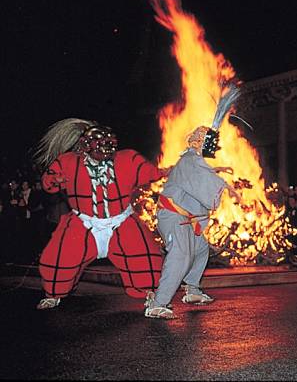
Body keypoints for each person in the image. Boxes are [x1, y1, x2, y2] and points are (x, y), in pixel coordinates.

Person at [34, 118, 164, 310]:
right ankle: (54, 294)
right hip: (83, 223)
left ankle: (149, 292)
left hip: (121, 220)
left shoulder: (127, 159)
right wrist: (55, 180)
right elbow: (48, 183)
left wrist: (171, 170)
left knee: (146, 259)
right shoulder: (68, 162)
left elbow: (153, 173)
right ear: (86, 146)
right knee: (58, 259)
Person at [144, 85, 241, 319]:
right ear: (199, 142)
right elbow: (203, 178)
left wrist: (218, 169)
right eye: (210, 143)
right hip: (174, 218)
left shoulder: (194, 161)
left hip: (186, 220)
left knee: (200, 249)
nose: (213, 147)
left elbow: (202, 174)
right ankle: (158, 303)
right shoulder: (190, 161)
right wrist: (227, 187)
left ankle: (192, 289)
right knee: (181, 255)